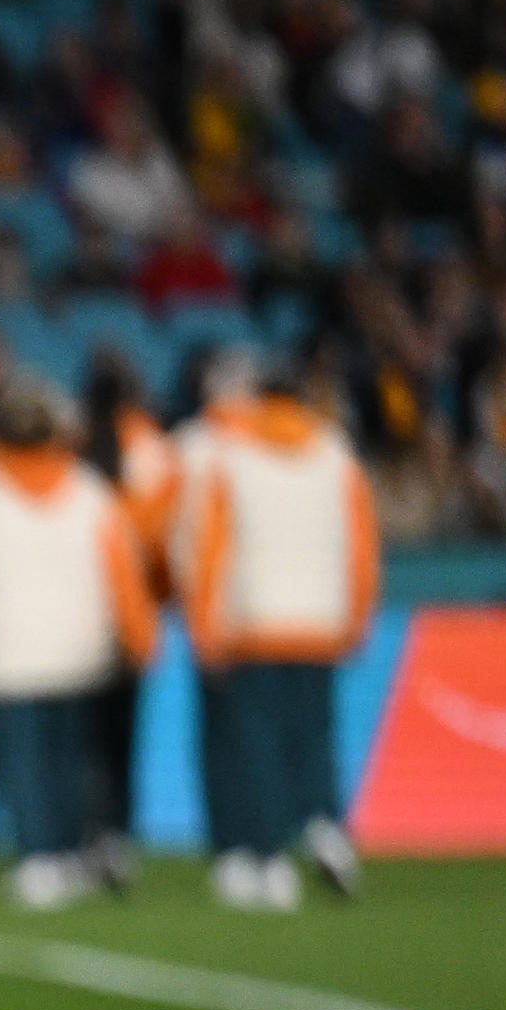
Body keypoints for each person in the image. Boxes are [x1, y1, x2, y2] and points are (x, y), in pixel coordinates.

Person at [0, 379, 156, 913]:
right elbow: (123, 574)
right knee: (72, 759)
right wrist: (141, 636)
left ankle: (38, 857)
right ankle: (74, 851)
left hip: (7, 654)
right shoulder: (91, 491)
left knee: (24, 762)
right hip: (79, 651)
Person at [173, 351, 378, 912]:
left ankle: (270, 862)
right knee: (314, 738)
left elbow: (213, 551)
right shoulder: (337, 454)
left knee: (257, 748)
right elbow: (361, 549)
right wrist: (357, 618)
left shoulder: (231, 458)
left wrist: (205, 627)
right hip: (319, 623)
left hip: (255, 624)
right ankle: (325, 824)